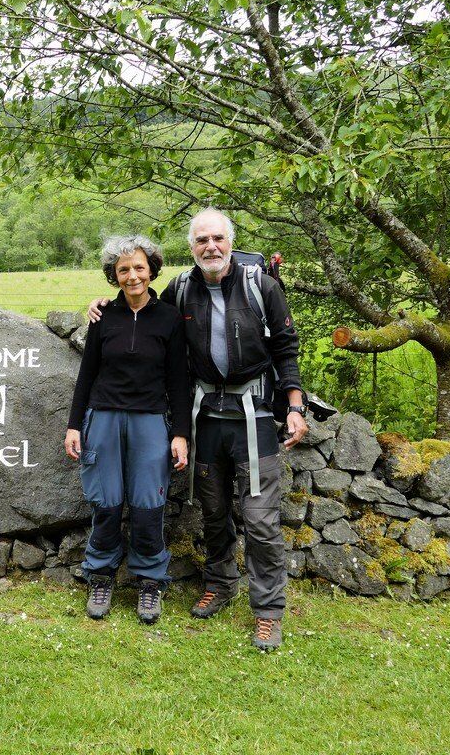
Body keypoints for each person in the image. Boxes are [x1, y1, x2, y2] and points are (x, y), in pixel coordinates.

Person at [88, 209, 308, 651]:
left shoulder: (260, 285)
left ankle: (267, 612)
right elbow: (143, 312)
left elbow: (285, 346)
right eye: (202, 240)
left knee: (260, 518)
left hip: (256, 416)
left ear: (231, 242)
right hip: (206, 415)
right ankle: (221, 583)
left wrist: (295, 404)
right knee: (212, 511)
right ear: (191, 248)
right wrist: (99, 306)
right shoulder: (181, 289)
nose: (211, 246)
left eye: (218, 238)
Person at [65, 234, 190, 625]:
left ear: (152, 270)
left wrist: (180, 433)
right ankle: (100, 575)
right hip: (102, 418)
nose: (132, 275)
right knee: (105, 501)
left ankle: (150, 582)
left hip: (150, 421)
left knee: (148, 503)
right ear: (113, 276)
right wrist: (74, 425)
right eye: (123, 269)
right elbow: (87, 375)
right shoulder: (104, 317)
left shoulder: (169, 318)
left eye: (139, 267)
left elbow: (179, 381)